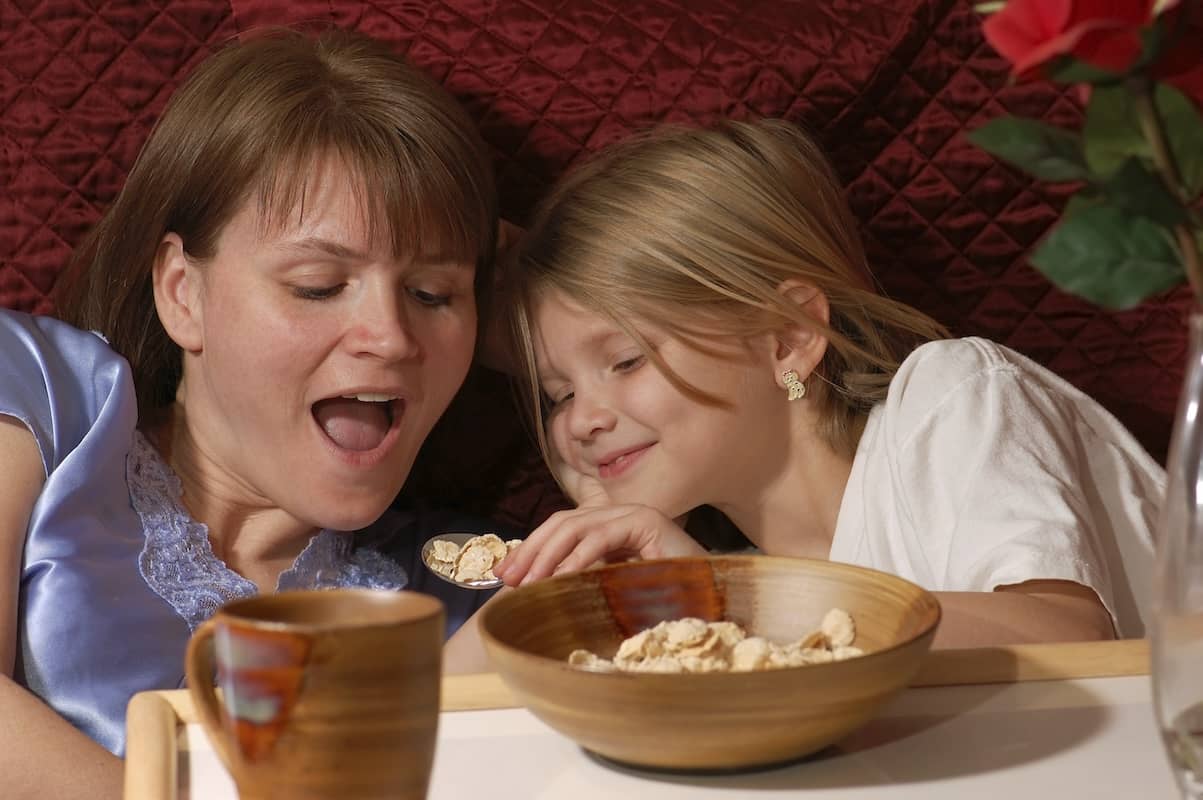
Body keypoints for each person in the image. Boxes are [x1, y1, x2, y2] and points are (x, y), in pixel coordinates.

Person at [0, 27, 503, 797]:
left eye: (433, 294)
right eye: (316, 285)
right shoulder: (46, 399)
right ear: (183, 294)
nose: (393, 337)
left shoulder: (465, 590)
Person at [493, 118, 1164, 652]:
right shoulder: (727, 572)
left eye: (626, 360)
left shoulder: (952, 397)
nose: (580, 421)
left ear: (786, 339)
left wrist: (723, 597)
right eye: (558, 394)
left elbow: (1064, 636)